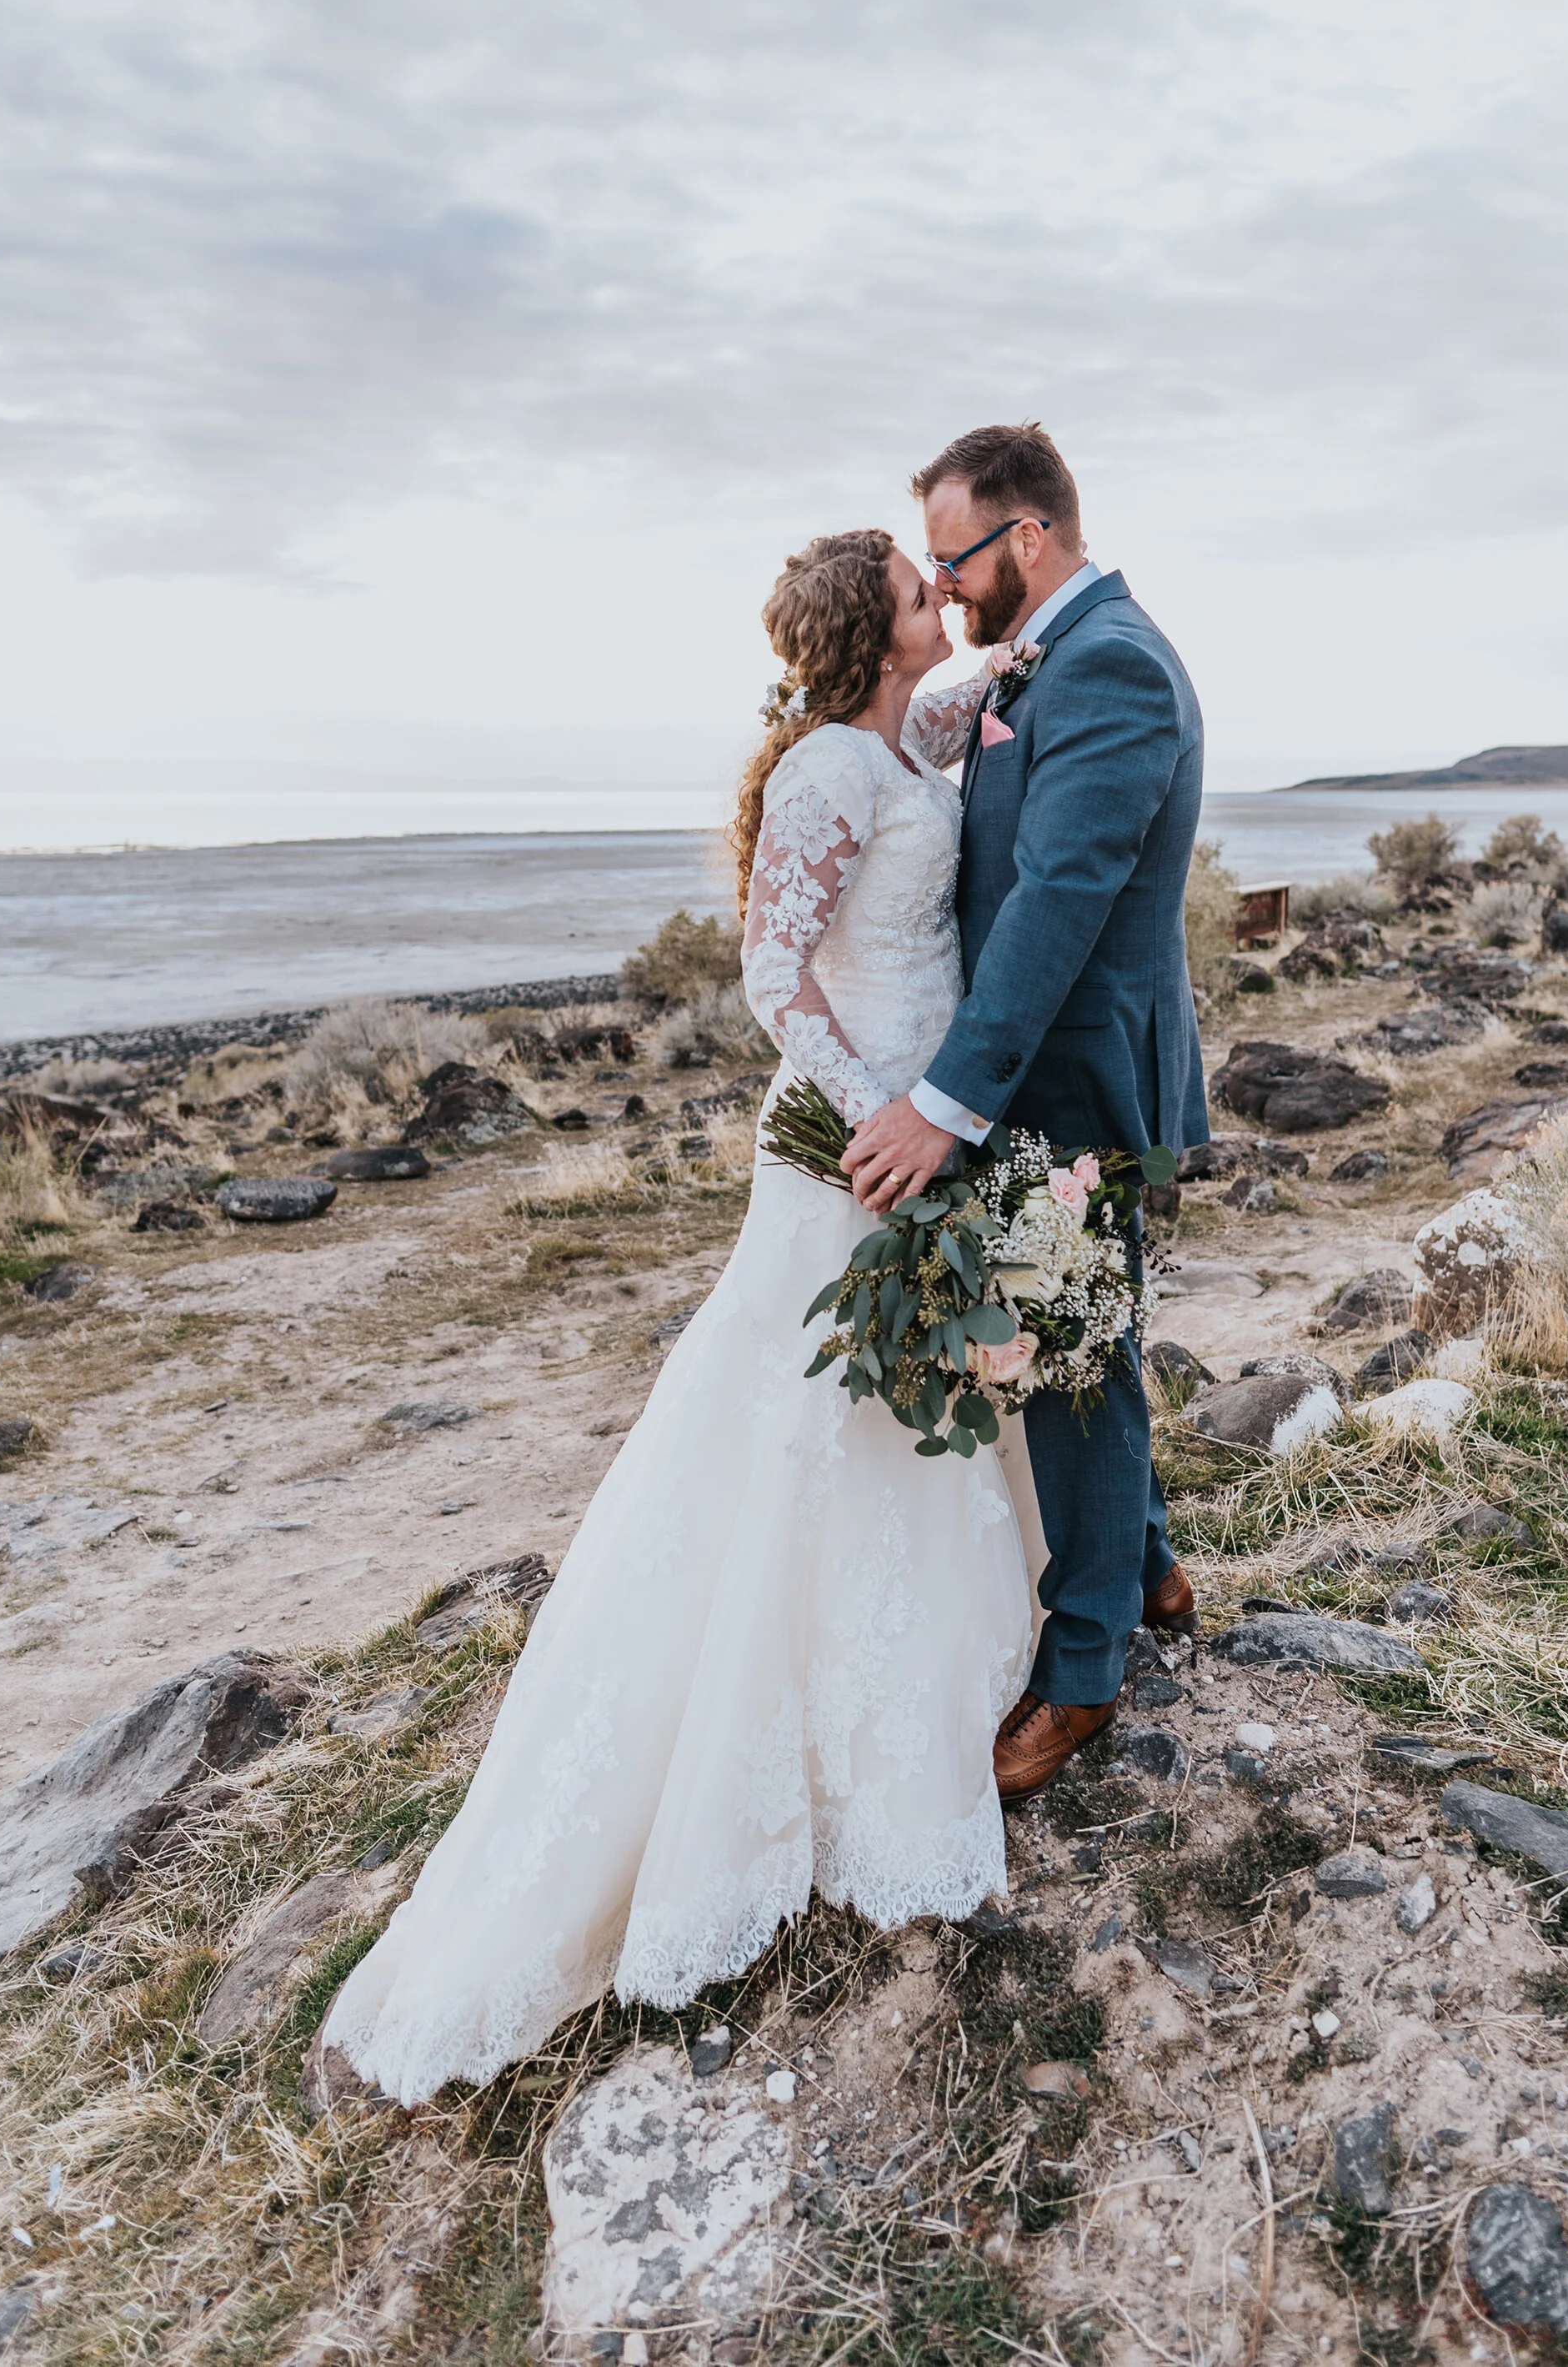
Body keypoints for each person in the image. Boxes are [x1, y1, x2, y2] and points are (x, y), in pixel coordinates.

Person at [322, 531, 1033, 2105]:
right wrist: (884, 1116)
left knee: (896, 1408)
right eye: (922, 597)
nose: (944, 602)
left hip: (927, 1121)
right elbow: (774, 975)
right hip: (860, 1139)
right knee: (803, 1416)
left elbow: (957, 710)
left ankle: (942, 1695)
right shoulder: (823, 780)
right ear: (869, 634)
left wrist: (1019, 653)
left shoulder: (898, 736)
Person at [841, 422, 1209, 1803]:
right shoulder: (1046, 654)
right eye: (927, 565)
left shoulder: (1106, 661)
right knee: (1081, 1334)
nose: (943, 586)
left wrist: (945, 1102)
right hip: (1046, 1069)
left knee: (1069, 1360)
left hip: (1075, 1079)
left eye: (955, 556)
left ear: (1029, 539)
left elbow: (1058, 903)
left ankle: (1086, 1665)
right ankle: (1151, 1569)